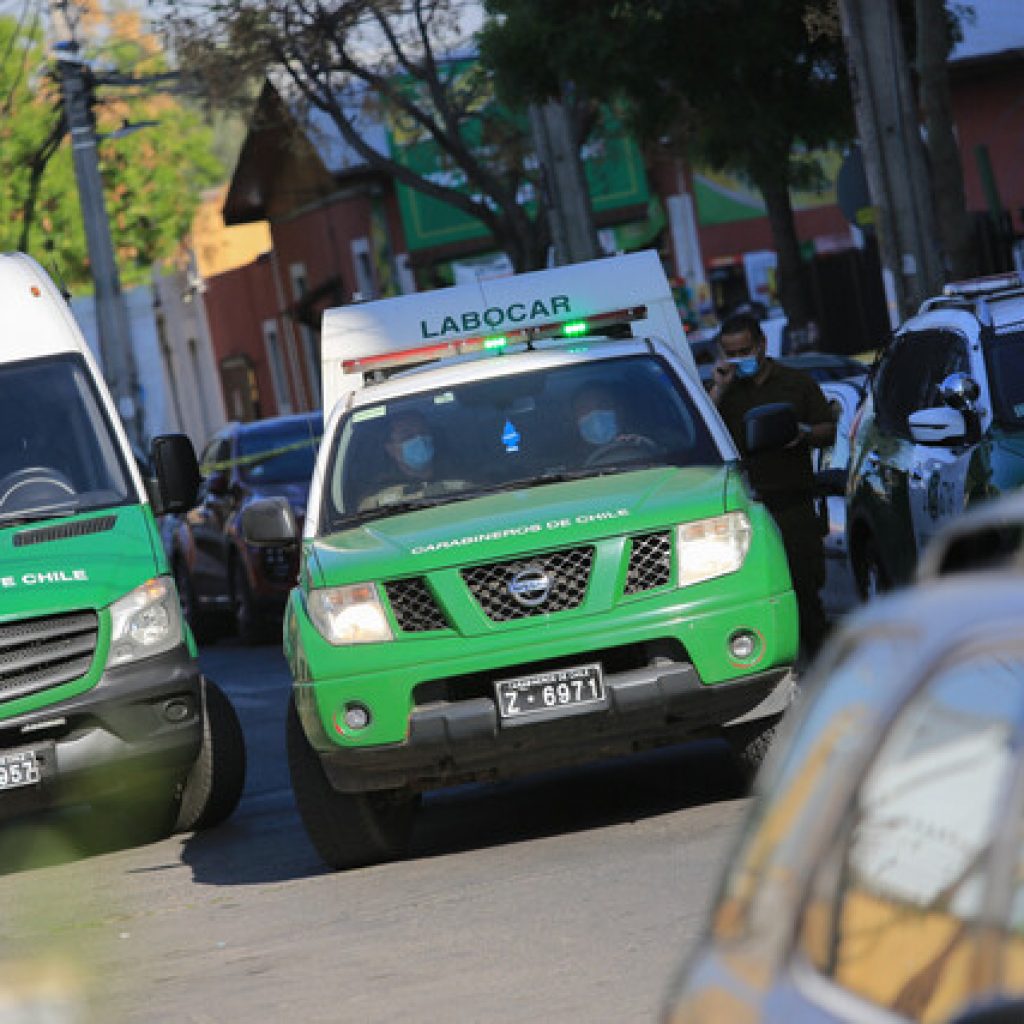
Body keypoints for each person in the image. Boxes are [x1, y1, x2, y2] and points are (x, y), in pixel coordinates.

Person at [709, 312, 836, 660]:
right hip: (748, 506)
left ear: (762, 345)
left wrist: (803, 432)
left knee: (804, 588)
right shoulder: (727, 394)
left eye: (746, 350)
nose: (741, 360)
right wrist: (720, 387)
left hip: (793, 502)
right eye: (732, 353)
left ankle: (822, 662)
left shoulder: (795, 383)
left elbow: (828, 428)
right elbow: (704, 431)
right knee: (758, 592)